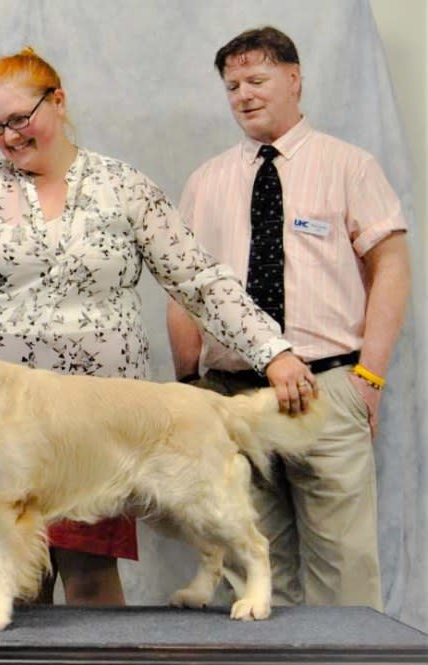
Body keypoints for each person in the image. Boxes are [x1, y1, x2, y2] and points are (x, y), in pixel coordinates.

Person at [0, 47, 315, 606]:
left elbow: (199, 281)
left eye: (20, 119)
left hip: (99, 426)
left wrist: (271, 351)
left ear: (59, 102)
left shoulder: (126, 187)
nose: (10, 137)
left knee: (92, 582)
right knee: (12, 591)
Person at [167, 26, 410, 610]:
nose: (243, 95)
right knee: (251, 569)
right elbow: (182, 289)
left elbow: (392, 270)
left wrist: (369, 379)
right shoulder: (206, 180)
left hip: (327, 390)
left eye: (257, 80)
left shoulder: (349, 165)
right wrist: (191, 387)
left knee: (344, 569)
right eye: (231, 86)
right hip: (231, 396)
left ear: (295, 79)